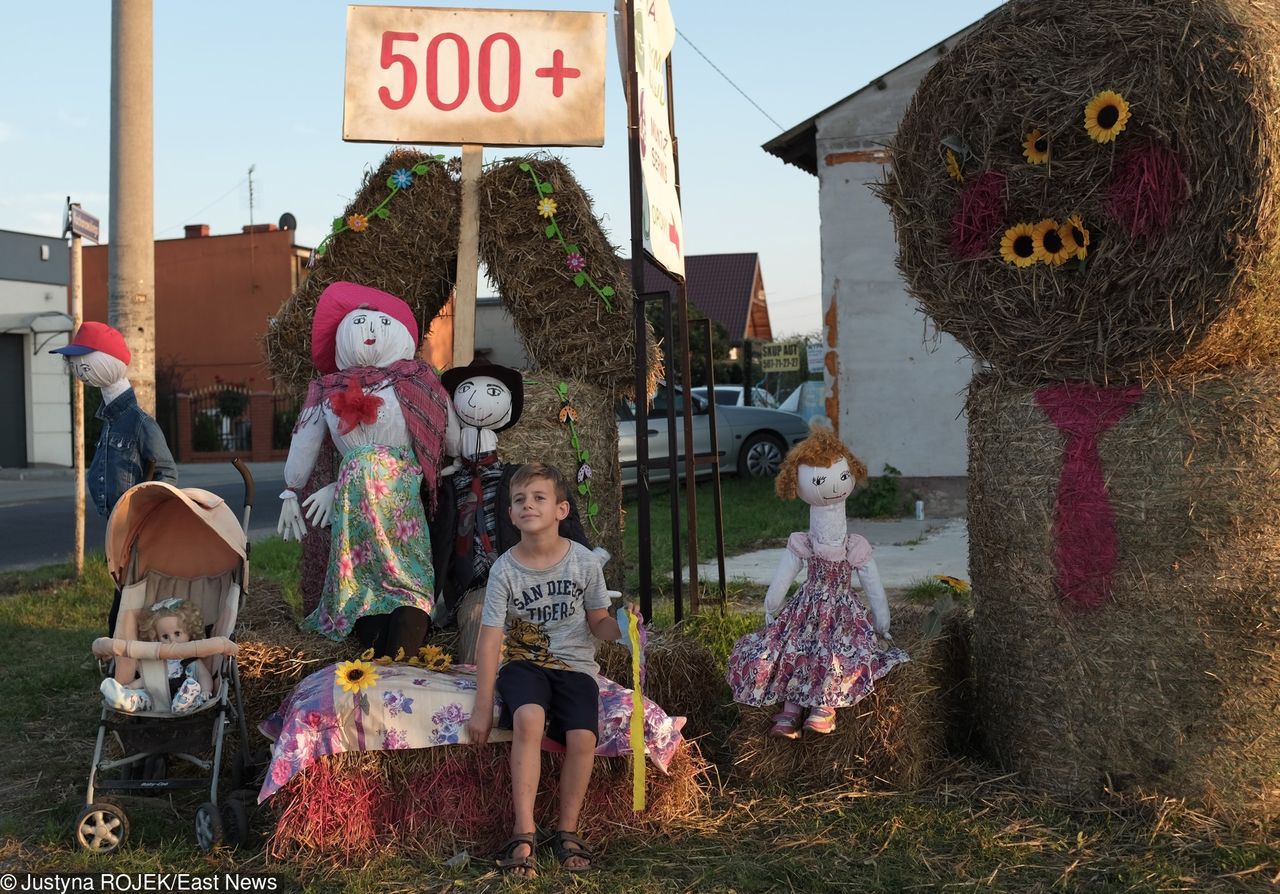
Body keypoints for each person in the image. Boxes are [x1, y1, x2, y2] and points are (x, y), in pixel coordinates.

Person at [465, 462, 634, 877]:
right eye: (519, 500)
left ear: (561, 510)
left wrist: (625, 630)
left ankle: (567, 829)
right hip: (525, 663)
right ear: (510, 514)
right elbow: (490, 640)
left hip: (575, 666)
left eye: (539, 498)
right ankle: (524, 830)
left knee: (582, 736)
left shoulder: (584, 564)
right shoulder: (505, 568)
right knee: (528, 718)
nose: (527, 505)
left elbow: (599, 622)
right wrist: (482, 707)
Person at [276, 282, 453, 660]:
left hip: (400, 503)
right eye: (359, 323)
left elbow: (447, 436)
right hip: (354, 506)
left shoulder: (418, 382)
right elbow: (305, 442)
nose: (370, 331)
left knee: (409, 580)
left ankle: (402, 650)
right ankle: (376, 654)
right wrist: (292, 489)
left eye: (381, 324)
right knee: (362, 591)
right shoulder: (325, 391)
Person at [726, 420, 910, 738]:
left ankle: (805, 709)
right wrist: (881, 625)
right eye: (822, 480)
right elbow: (871, 588)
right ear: (796, 484)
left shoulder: (851, 546)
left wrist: (773, 605)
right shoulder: (807, 542)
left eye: (841, 477)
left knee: (811, 648)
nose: (836, 486)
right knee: (818, 648)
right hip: (826, 610)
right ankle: (804, 709)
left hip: (816, 610)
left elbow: (870, 584)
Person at [428, 358, 591, 663]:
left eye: (492, 392)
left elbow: (566, 529)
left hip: (531, 579)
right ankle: (484, 704)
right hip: (479, 587)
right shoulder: (444, 488)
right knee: (480, 619)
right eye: (468, 393)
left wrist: (589, 579)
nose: (478, 402)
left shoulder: (522, 479)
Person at [51, 322, 177, 634]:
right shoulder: (111, 421)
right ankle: (125, 654)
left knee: (129, 598)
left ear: (103, 361)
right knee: (124, 591)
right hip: (119, 527)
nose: (78, 370)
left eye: (83, 361)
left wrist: (148, 517)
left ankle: (129, 653)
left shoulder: (139, 423)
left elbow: (167, 473)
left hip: (138, 529)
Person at [99, 598, 216, 714]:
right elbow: (147, 679)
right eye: (165, 636)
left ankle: (182, 704)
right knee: (141, 697)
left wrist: (205, 690)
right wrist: (130, 686)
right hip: (156, 697)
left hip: (185, 692)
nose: (172, 640)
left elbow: (204, 676)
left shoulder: (192, 660)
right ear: (156, 638)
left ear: (189, 632)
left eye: (177, 634)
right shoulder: (158, 659)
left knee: (191, 688)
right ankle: (123, 698)